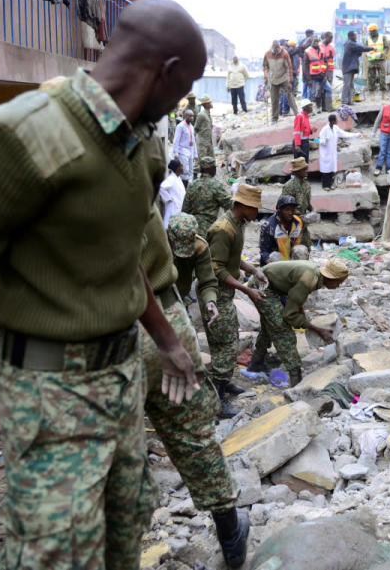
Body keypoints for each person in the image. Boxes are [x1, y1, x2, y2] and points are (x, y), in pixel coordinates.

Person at [0, 0, 206, 569]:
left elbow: (120, 255)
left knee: (126, 530)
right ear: (165, 73)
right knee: (54, 557)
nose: (178, 104)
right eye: (183, 87)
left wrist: (166, 342)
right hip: (50, 393)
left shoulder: (138, 146)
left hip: (119, 381)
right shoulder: (28, 133)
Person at [140, 210, 248, 568]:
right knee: (196, 437)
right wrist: (169, 338)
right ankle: (231, 537)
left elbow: (207, 281)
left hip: (114, 327)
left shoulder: (200, 246)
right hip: (161, 315)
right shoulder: (130, 172)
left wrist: (210, 304)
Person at [204, 183, 267, 418]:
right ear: (243, 206)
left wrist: (252, 270)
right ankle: (217, 398)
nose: (256, 213)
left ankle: (223, 382)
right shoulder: (223, 229)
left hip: (225, 294)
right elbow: (216, 267)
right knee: (226, 345)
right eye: (254, 209)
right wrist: (246, 290)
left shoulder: (237, 225)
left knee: (228, 339)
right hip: (215, 294)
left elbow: (232, 258)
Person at [247, 259, 350, 384]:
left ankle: (256, 363)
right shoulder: (308, 279)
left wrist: (302, 314)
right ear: (331, 278)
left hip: (274, 286)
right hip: (262, 285)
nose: (338, 286)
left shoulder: (315, 275)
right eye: (338, 282)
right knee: (281, 329)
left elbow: (296, 295)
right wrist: (317, 330)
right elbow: (289, 316)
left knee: (270, 326)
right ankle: (296, 379)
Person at [166, 213, 219, 314]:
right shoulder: (157, 242)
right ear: (170, 233)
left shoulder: (200, 247)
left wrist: (210, 300)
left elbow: (207, 280)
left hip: (180, 298)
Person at [181, 156, 233, 234]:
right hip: (209, 229)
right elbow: (229, 204)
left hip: (192, 228)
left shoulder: (192, 185)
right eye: (214, 168)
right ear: (210, 169)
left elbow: (185, 209)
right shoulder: (216, 185)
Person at [258, 195, 310, 266]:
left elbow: (297, 245)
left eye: (292, 210)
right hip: (275, 261)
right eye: (287, 209)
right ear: (279, 210)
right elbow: (264, 251)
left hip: (289, 259)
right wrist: (270, 265)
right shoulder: (269, 226)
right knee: (275, 256)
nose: (290, 213)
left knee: (301, 250)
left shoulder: (297, 223)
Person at [319, 113, 360, 190]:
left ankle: (330, 184)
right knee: (326, 171)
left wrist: (356, 135)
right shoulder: (324, 129)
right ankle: (325, 186)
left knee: (331, 170)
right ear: (332, 121)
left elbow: (344, 134)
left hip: (332, 152)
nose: (337, 121)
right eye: (336, 120)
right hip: (325, 153)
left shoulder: (335, 128)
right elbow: (319, 140)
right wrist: (325, 141)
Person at [263, 40, 297, 125]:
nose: (276, 50)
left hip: (284, 78)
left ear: (279, 47)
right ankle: (274, 118)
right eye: (274, 48)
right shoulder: (267, 54)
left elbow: (289, 67)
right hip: (273, 79)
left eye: (277, 48)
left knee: (289, 96)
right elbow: (265, 66)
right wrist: (266, 76)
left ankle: (297, 114)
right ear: (272, 47)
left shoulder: (284, 53)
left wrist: (290, 81)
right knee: (274, 100)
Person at [340, 30, 373, 106]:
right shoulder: (350, 43)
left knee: (351, 84)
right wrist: (371, 48)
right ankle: (344, 101)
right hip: (348, 67)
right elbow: (361, 47)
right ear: (350, 36)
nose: (356, 37)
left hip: (350, 67)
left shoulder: (351, 44)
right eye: (355, 35)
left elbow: (358, 52)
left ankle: (350, 100)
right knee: (347, 84)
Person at [159, 158, 187, 227]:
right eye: (181, 166)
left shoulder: (178, 178)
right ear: (177, 169)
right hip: (173, 207)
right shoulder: (171, 178)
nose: (183, 168)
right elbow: (161, 187)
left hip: (178, 206)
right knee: (169, 224)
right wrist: (168, 199)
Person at [173, 107, 197, 185]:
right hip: (182, 151)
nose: (192, 118)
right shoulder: (180, 126)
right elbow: (176, 140)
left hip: (190, 151)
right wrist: (176, 153)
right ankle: (183, 188)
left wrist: (195, 154)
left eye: (192, 116)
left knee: (191, 170)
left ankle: (188, 188)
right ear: (185, 116)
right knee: (184, 170)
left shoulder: (191, 127)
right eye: (190, 116)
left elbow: (193, 141)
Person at [365, 23, 387, 99]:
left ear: (376, 31)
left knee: (382, 77)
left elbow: (386, 48)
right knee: (371, 78)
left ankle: (383, 94)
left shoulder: (382, 37)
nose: (371, 33)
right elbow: (365, 48)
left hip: (380, 60)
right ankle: (372, 95)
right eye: (370, 31)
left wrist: (382, 54)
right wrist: (367, 54)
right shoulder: (368, 39)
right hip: (371, 61)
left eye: (372, 31)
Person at [306, 37, 327, 111]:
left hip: (321, 76)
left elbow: (325, 63)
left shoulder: (322, 50)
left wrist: (325, 75)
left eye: (317, 41)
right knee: (313, 93)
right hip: (313, 77)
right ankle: (310, 109)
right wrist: (308, 79)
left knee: (322, 91)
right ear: (311, 42)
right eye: (314, 41)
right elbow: (305, 67)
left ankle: (321, 107)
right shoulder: (308, 51)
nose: (316, 43)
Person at [319, 31, 335, 111]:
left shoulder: (331, 47)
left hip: (330, 70)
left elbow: (331, 58)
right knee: (322, 89)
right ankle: (323, 107)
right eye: (330, 37)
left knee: (329, 88)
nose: (331, 39)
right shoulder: (319, 46)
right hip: (321, 71)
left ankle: (328, 107)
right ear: (326, 37)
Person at [195, 95, 214, 160]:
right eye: (209, 102)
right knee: (203, 161)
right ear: (205, 104)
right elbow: (196, 128)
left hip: (209, 142)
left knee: (211, 161)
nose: (211, 104)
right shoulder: (201, 115)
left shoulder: (208, 114)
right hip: (202, 143)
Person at [298, 29, 315, 100]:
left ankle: (310, 99)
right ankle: (304, 99)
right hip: (306, 63)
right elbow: (299, 52)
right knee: (305, 80)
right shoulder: (302, 42)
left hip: (314, 64)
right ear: (308, 34)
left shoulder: (314, 41)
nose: (312, 35)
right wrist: (305, 57)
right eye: (312, 34)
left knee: (312, 80)